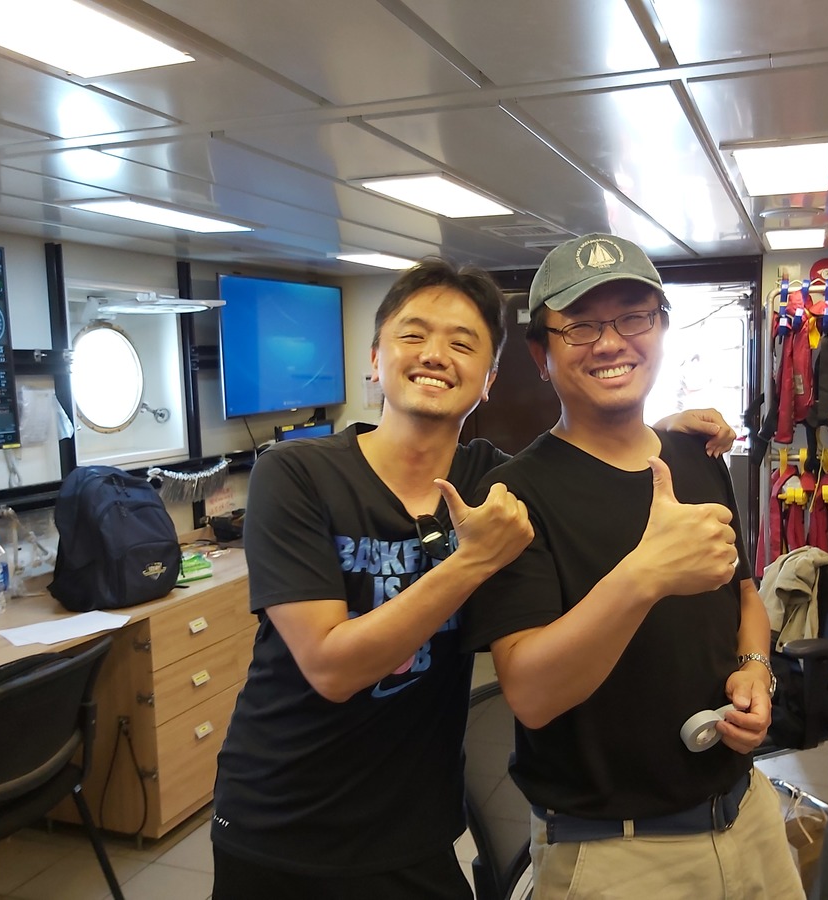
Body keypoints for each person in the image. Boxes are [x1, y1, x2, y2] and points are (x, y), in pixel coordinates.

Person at [210, 256, 738, 899]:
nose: (435, 354)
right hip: (282, 822)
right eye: (413, 335)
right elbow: (331, 667)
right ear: (374, 360)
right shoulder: (297, 474)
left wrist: (660, 434)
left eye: (462, 344)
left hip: (420, 825)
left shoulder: (492, 482)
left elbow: (579, 462)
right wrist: (470, 562)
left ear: (488, 380)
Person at [462, 233, 804, 900]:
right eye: (581, 325)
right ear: (542, 354)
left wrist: (755, 672)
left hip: (748, 815)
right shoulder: (517, 497)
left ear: (662, 330)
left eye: (633, 316)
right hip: (613, 855)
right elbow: (530, 695)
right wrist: (645, 573)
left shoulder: (698, 454)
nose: (612, 342)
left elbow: (744, 600)